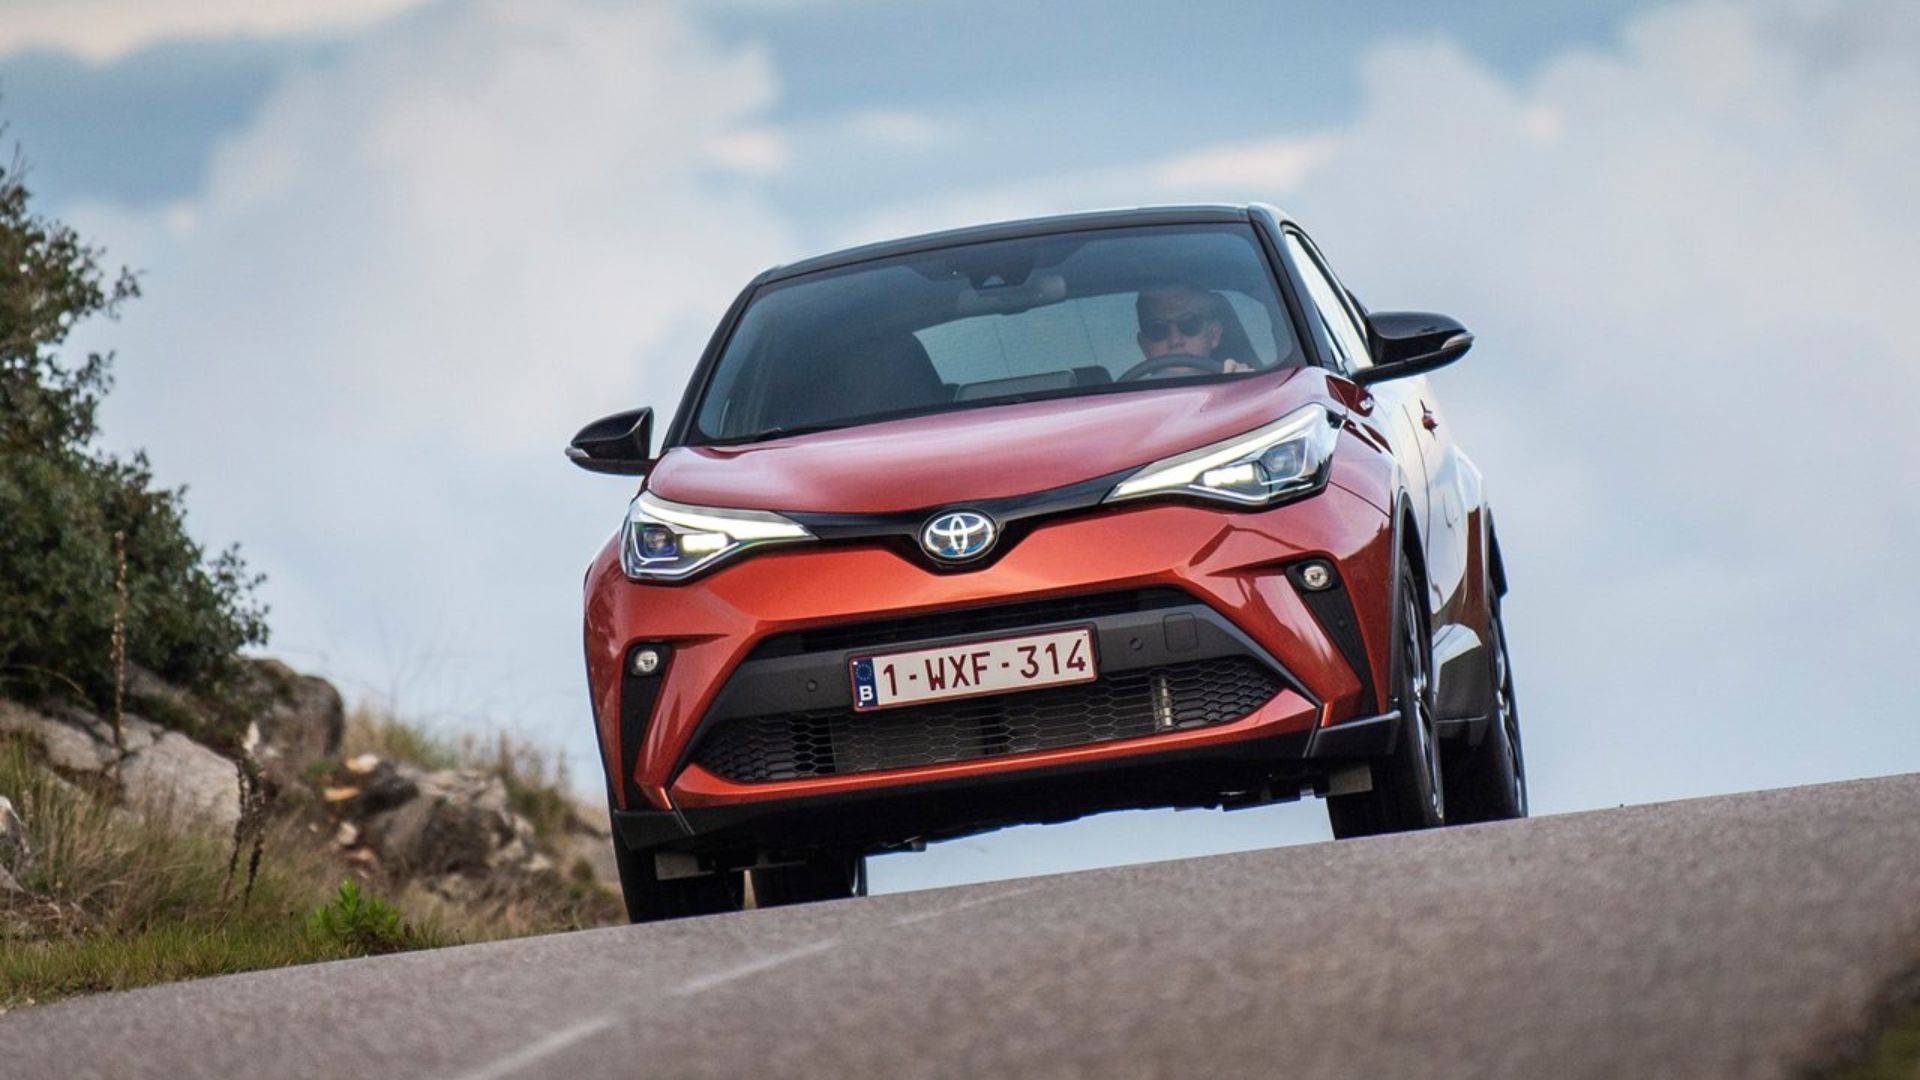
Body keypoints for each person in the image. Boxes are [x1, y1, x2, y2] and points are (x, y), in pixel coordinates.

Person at [1132, 284, 1256, 376]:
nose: (1175, 341)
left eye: (1189, 324)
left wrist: (1245, 383)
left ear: (1214, 334)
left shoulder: (1240, 391)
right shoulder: (1128, 403)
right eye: (1157, 329)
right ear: (1144, 346)